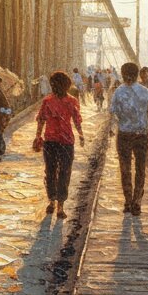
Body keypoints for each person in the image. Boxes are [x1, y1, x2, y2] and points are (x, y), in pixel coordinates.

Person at [34, 71, 85, 219]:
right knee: (63, 172)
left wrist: (38, 135)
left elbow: (41, 120)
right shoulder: (71, 101)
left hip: (52, 141)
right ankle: (59, 205)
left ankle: (53, 202)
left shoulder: (48, 101)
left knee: (51, 172)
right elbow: (76, 120)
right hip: (65, 141)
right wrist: (81, 134)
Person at [110, 60, 148, 216]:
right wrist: (143, 121)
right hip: (141, 135)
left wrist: (123, 120)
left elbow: (112, 112)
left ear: (123, 75)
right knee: (140, 168)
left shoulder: (118, 92)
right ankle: (137, 202)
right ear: (137, 75)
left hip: (124, 134)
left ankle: (128, 201)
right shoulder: (145, 91)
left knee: (125, 169)